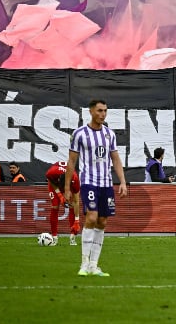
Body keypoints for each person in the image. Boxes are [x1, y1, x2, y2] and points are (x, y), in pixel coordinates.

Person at [67, 99, 128, 276]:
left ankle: (94, 265)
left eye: (105, 111)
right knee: (91, 217)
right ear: (91, 111)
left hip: (106, 183)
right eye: (100, 110)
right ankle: (84, 264)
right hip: (89, 181)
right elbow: (71, 161)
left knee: (102, 221)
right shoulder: (79, 134)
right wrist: (67, 187)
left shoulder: (110, 134)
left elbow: (115, 159)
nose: (103, 114)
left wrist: (122, 182)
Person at [46, 160, 82, 245]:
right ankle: (54, 237)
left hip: (68, 182)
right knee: (55, 206)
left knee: (72, 205)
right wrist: (59, 194)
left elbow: (77, 202)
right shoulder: (52, 172)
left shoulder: (75, 180)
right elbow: (49, 179)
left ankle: (72, 238)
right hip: (54, 185)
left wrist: (77, 220)